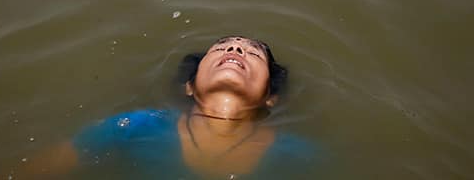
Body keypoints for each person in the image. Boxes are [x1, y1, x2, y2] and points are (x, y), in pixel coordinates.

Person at [16, 36, 313, 178]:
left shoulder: (297, 156)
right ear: (189, 85)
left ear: (270, 97)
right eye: (221, 48)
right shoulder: (133, 127)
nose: (235, 50)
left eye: (252, 53)